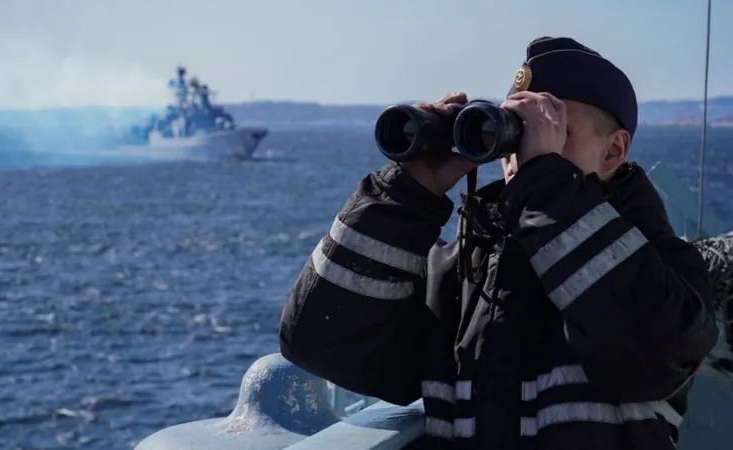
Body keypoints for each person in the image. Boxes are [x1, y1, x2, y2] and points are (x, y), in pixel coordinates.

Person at [278, 36, 720, 450]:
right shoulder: (456, 271)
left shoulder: (666, 267)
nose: (520, 153)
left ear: (614, 151)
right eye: (514, 132)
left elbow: (655, 354)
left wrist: (547, 186)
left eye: (554, 130)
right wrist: (407, 196)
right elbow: (325, 347)